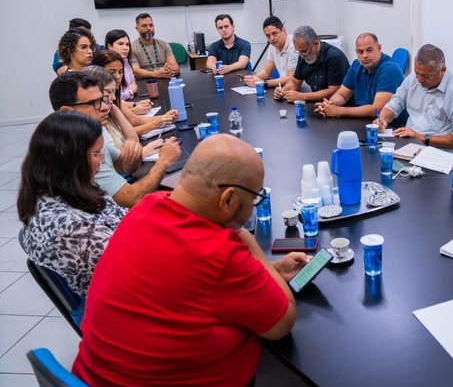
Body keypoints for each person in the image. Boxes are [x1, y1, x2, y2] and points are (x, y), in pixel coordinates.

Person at [72, 135, 309, 386]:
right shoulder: (219, 253)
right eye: (253, 199)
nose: (252, 207)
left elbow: (185, 285)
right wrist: (243, 237)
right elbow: (283, 321)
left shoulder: (146, 207)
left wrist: (265, 272)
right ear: (228, 200)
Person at [18, 111, 127, 301]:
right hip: (117, 303)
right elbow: (129, 269)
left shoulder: (65, 187)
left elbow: (121, 217)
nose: (102, 160)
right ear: (69, 159)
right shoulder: (70, 228)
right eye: (96, 153)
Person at [49, 72, 182, 208]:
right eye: (93, 103)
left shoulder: (90, 136)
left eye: (102, 100)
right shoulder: (77, 152)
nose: (105, 107)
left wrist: (133, 155)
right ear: (66, 111)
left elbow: (126, 166)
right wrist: (164, 161)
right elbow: (133, 198)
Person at [376, 43, 453, 148]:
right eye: (417, 73)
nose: (419, 80)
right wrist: (382, 119)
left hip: (438, 151)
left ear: (443, 71)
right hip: (408, 143)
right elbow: (395, 104)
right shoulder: (413, 79)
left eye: (426, 76)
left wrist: (419, 136)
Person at [83, 63, 171, 162]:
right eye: (109, 92)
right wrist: (143, 151)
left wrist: (115, 110)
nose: (113, 97)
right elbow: (117, 164)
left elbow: (134, 141)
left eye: (114, 92)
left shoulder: (107, 117)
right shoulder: (95, 125)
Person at [314, 33, 403, 118]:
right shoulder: (356, 65)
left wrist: (338, 111)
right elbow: (342, 95)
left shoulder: (389, 69)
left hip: (392, 127)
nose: (365, 55)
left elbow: (377, 109)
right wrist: (329, 105)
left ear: (379, 48)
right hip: (365, 121)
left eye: (369, 50)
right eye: (360, 52)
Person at [90, 52, 178, 137]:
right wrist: (155, 124)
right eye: (112, 72)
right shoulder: (96, 103)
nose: (117, 76)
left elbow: (135, 120)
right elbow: (119, 134)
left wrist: (165, 117)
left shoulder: (114, 95)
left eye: (120, 72)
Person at [274, 25, 349, 103]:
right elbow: (295, 82)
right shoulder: (303, 55)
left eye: (304, 51)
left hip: (341, 106)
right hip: (318, 104)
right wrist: (283, 90)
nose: (302, 56)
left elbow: (334, 91)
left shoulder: (334, 57)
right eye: (298, 51)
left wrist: (302, 96)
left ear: (316, 43)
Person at [243, 15, 298, 88]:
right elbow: (266, 71)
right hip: (283, 88)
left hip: (300, 89)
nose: (271, 38)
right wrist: (251, 78)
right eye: (268, 36)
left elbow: (291, 78)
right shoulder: (273, 46)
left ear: (284, 30)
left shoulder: (294, 45)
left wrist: (263, 83)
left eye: (274, 33)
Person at [130, 13, 179, 79]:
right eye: (144, 26)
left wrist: (173, 70)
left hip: (165, 78)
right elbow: (135, 71)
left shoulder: (163, 44)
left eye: (151, 25)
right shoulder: (132, 47)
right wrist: (155, 74)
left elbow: (174, 66)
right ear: (137, 28)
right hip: (145, 81)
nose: (148, 28)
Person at [104, 29, 141, 103]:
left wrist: (130, 90)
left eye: (127, 44)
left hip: (127, 102)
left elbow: (133, 82)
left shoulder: (126, 62)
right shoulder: (106, 65)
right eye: (120, 44)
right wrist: (130, 92)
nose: (125, 48)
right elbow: (114, 96)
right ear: (110, 46)